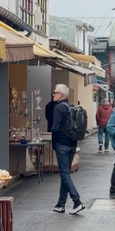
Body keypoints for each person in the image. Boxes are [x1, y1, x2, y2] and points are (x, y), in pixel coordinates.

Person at [48, 84, 85, 214]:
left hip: (62, 144)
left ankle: (77, 201)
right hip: (71, 144)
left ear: (61, 95)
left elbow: (56, 128)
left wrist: (54, 143)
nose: (54, 94)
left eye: (56, 92)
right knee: (66, 174)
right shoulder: (70, 107)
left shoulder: (58, 108)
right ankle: (61, 204)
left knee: (64, 174)